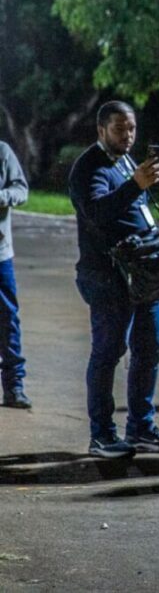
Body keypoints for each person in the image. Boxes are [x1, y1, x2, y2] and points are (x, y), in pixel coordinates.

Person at [68, 100, 159, 458]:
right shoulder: (90, 166)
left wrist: (139, 185)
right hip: (106, 276)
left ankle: (141, 427)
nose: (128, 136)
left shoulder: (127, 161)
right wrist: (135, 185)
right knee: (108, 353)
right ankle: (102, 435)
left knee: (150, 348)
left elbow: (136, 209)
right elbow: (98, 214)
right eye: (120, 129)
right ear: (101, 129)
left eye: (132, 128)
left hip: (142, 274)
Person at [0, 141, 29, 409]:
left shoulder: (3, 152)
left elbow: (21, 190)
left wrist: (2, 197)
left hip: (0, 255)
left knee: (7, 320)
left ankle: (14, 387)